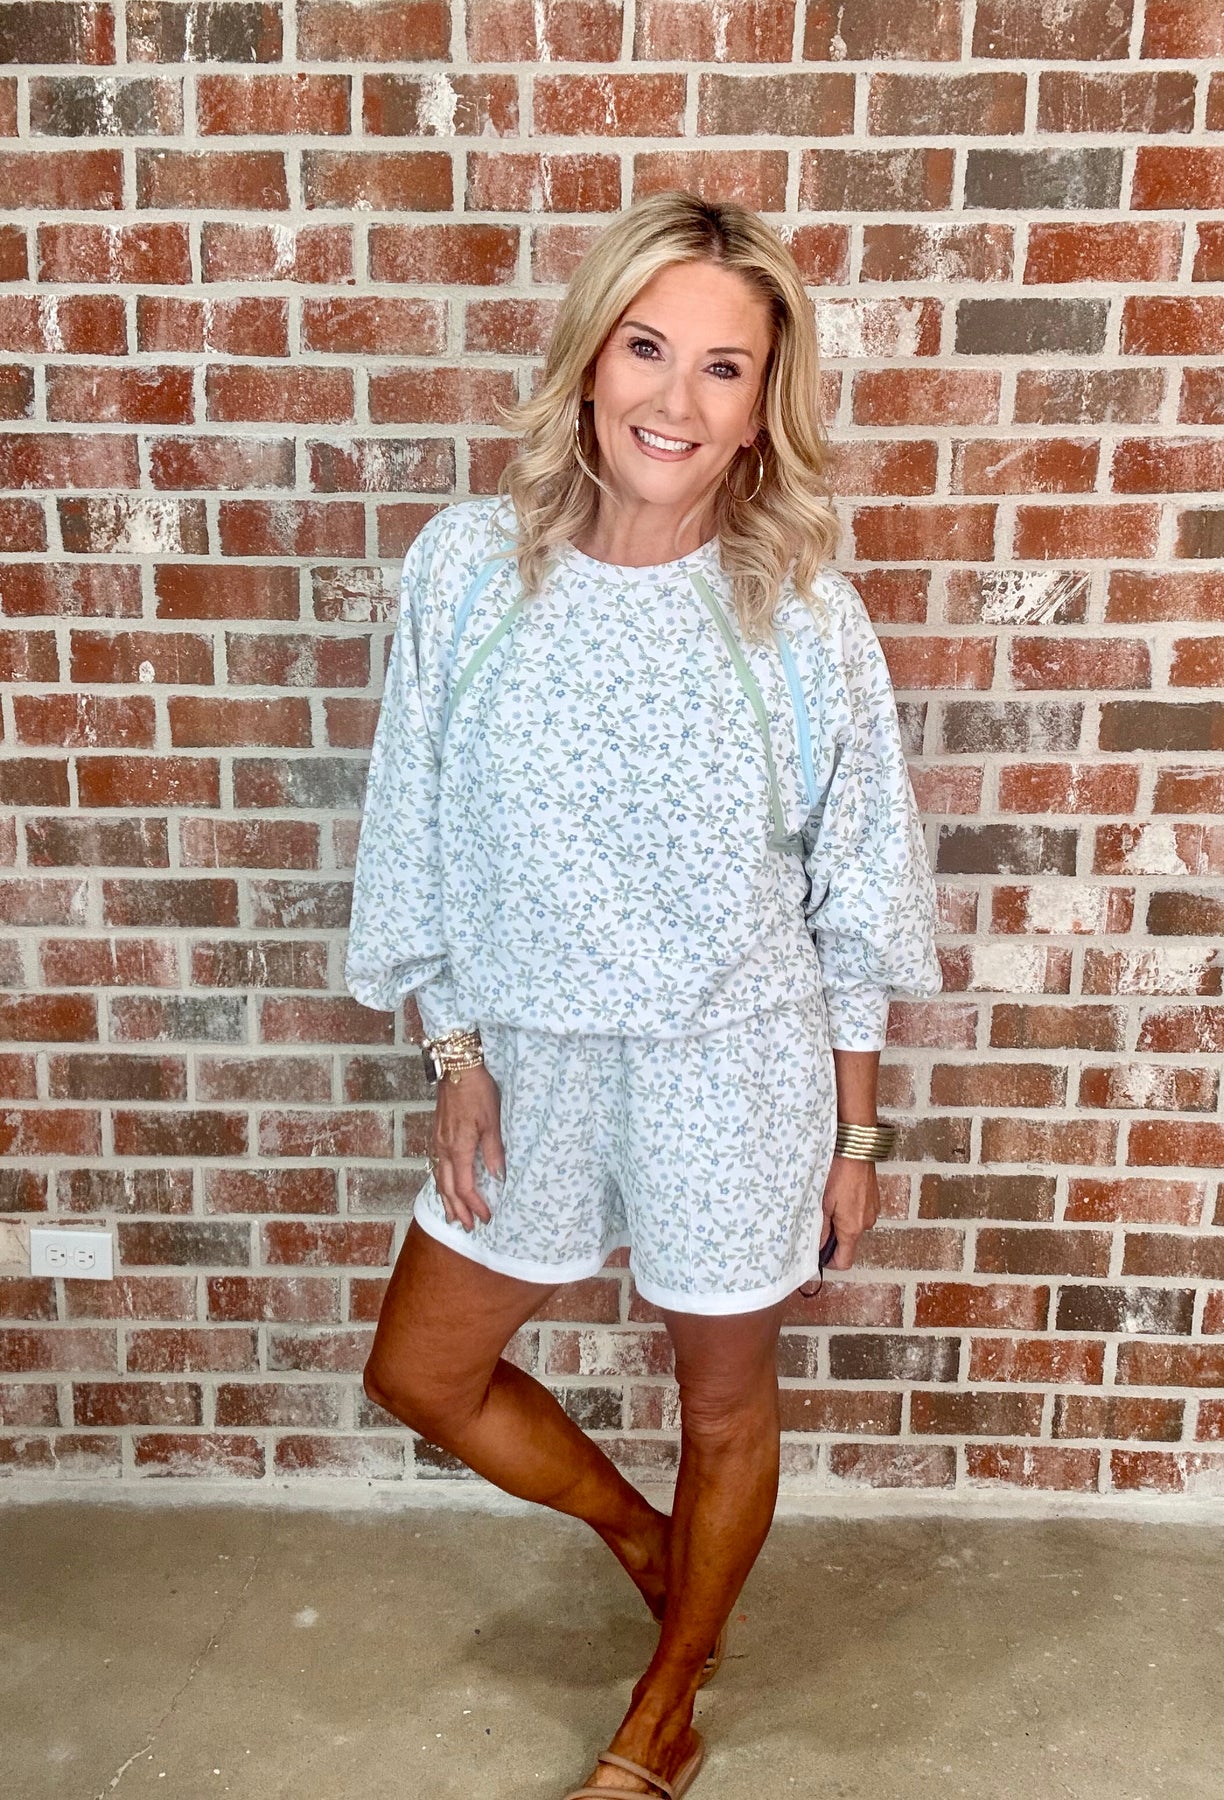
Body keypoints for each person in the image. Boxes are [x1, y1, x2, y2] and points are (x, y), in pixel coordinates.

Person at [344, 190, 942, 1800]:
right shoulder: (468, 572)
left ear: (760, 413)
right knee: (423, 1372)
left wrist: (857, 1138)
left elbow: (856, 887)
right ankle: (646, 1540)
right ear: (591, 359)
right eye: (646, 347)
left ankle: (669, 1701)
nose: (674, 400)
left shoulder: (798, 615)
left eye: (723, 369)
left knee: (723, 1397)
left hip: (729, 1069)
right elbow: (414, 822)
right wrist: (455, 1048)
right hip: (530, 1058)